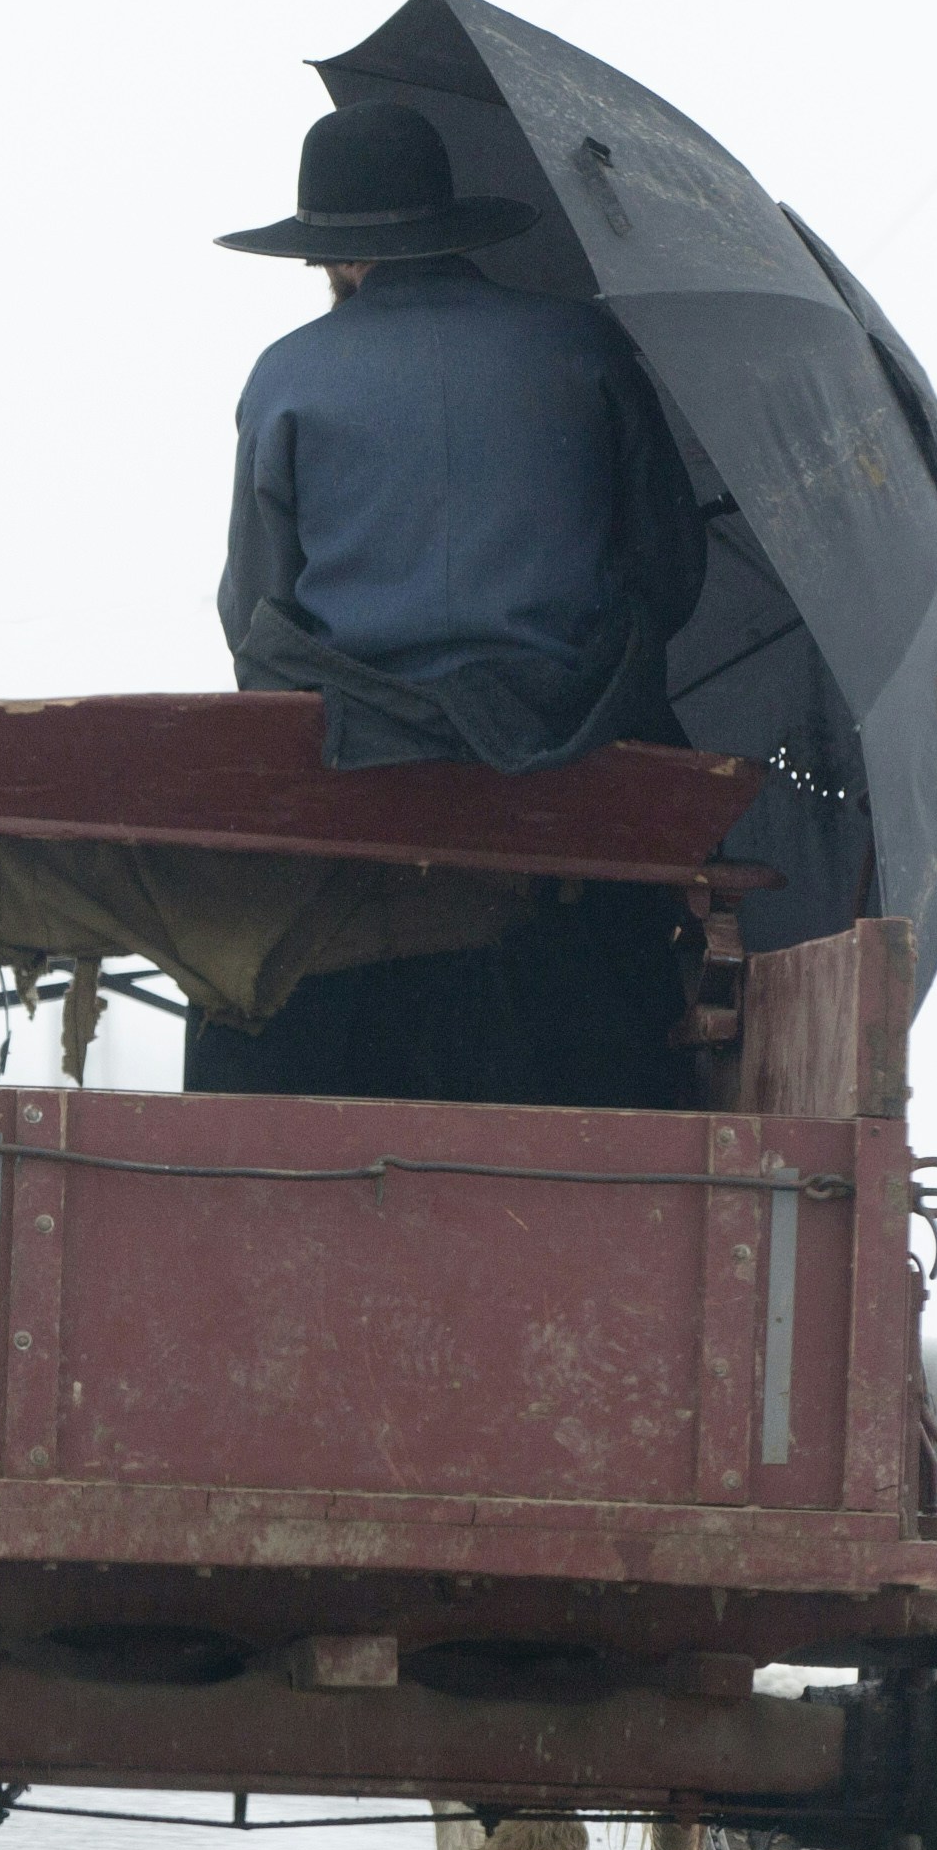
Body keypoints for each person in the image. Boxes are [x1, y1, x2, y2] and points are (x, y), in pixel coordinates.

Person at [193, 100, 702, 1108]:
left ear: (335, 259)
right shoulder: (584, 347)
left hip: (358, 760)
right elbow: (671, 573)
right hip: (580, 752)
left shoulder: (286, 377)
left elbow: (258, 615)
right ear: (448, 227)